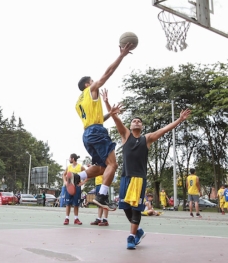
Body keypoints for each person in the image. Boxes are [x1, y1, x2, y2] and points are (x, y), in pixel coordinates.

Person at [106, 89, 191, 249]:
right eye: (134, 121)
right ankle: (137, 231)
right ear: (130, 126)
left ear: (142, 126)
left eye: (139, 121)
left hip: (139, 178)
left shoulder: (147, 139)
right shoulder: (125, 135)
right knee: (125, 207)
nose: (136, 122)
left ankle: (131, 237)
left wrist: (179, 120)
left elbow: (164, 130)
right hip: (125, 177)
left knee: (136, 208)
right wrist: (107, 103)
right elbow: (115, 118)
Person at [69, 43, 135, 211]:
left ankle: (78, 177)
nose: (95, 82)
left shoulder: (79, 103)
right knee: (113, 165)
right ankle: (102, 196)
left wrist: (110, 114)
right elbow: (107, 74)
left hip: (87, 134)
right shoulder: (91, 89)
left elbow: (95, 120)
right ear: (87, 84)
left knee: (102, 168)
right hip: (97, 132)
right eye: (92, 81)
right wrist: (121, 56)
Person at [63, 153, 86, 225]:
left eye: (70, 158)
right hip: (69, 187)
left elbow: (87, 174)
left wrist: (83, 183)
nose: (69, 159)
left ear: (73, 159)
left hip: (77, 187)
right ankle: (67, 218)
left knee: (76, 204)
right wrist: (65, 181)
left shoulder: (80, 167)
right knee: (68, 203)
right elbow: (63, 174)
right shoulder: (69, 167)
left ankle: (76, 219)